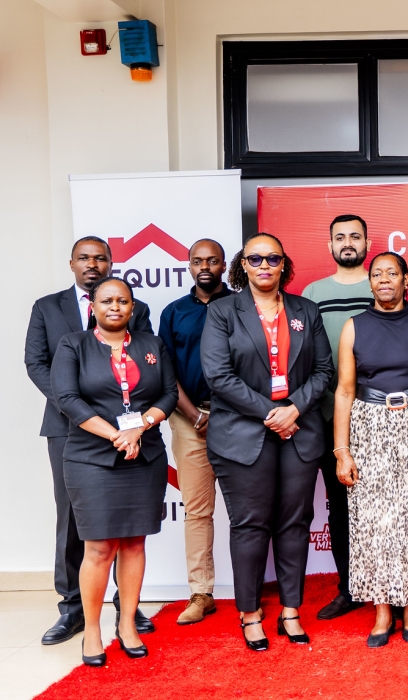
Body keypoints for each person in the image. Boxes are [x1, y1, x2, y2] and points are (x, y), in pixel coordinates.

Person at [200, 233, 333, 651]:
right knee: (250, 524)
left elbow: (323, 371)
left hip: (298, 431)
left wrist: (293, 408)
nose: (263, 265)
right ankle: (250, 612)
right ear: (243, 265)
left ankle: (291, 609)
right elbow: (218, 377)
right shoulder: (223, 311)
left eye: (272, 258)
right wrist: (270, 414)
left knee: (294, 523)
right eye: (254, 259)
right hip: (243, 435)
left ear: (282, 265)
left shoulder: (305, 310)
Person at [25, 236, 155, 646]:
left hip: (131, 431)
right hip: (69, 429)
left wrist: (129, 422)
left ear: (112, 262)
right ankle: (73, 609)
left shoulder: (137, 310)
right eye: (84, 258)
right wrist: (77, 404)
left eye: (100, 258)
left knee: (127, 527)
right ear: (71, 264)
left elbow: (147, 366)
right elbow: (36, 363)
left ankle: (125, 608)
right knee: (75, 521)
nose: (92, 264)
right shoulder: (48, 307)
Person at [50, 276, 178, 666]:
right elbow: (67, 398)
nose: (115, 308)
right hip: (91, 457)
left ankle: (127, 624)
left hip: (145, 456)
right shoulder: (73, 345)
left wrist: (141, 427)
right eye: (107, 301)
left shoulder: (151, 345)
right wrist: (117, 436)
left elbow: (169, 393)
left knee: (134, 543)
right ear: (93, 305)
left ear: (133, 306)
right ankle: (91, 630)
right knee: (100, 547)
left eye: (123, 301)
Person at [333, 252, 408, 647]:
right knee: (375, 522)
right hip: (369, 428)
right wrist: (342, 450)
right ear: (369, 282)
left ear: (406, 280)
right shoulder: (354, 327)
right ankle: (382, 609)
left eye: (392, 273)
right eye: (377, 274)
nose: (384, 279)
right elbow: (345, 391)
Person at [301, 214, 375, 621]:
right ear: (329, 245)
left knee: (382, 505)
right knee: (339, 506)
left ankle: (387, 585)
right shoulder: (313, 293)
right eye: (340, 237)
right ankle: (348, 587)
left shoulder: (381, 283)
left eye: (355, 237)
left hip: (380, 416)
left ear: (367, 242)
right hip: (329, 418)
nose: (348, 243)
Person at [157, 239, 232, 625]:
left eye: (213, 260)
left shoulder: (241, 305)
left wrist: (223, 413)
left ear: (223, 265)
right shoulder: (173, 313)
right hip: (189, 422)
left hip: (237, 421)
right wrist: (193, 414)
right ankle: (201, 592)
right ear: (188, 266)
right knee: (198, 511)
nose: (205, 266)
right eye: (198, 260)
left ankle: (251, 589)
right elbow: (165, 373)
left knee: (246, 511)